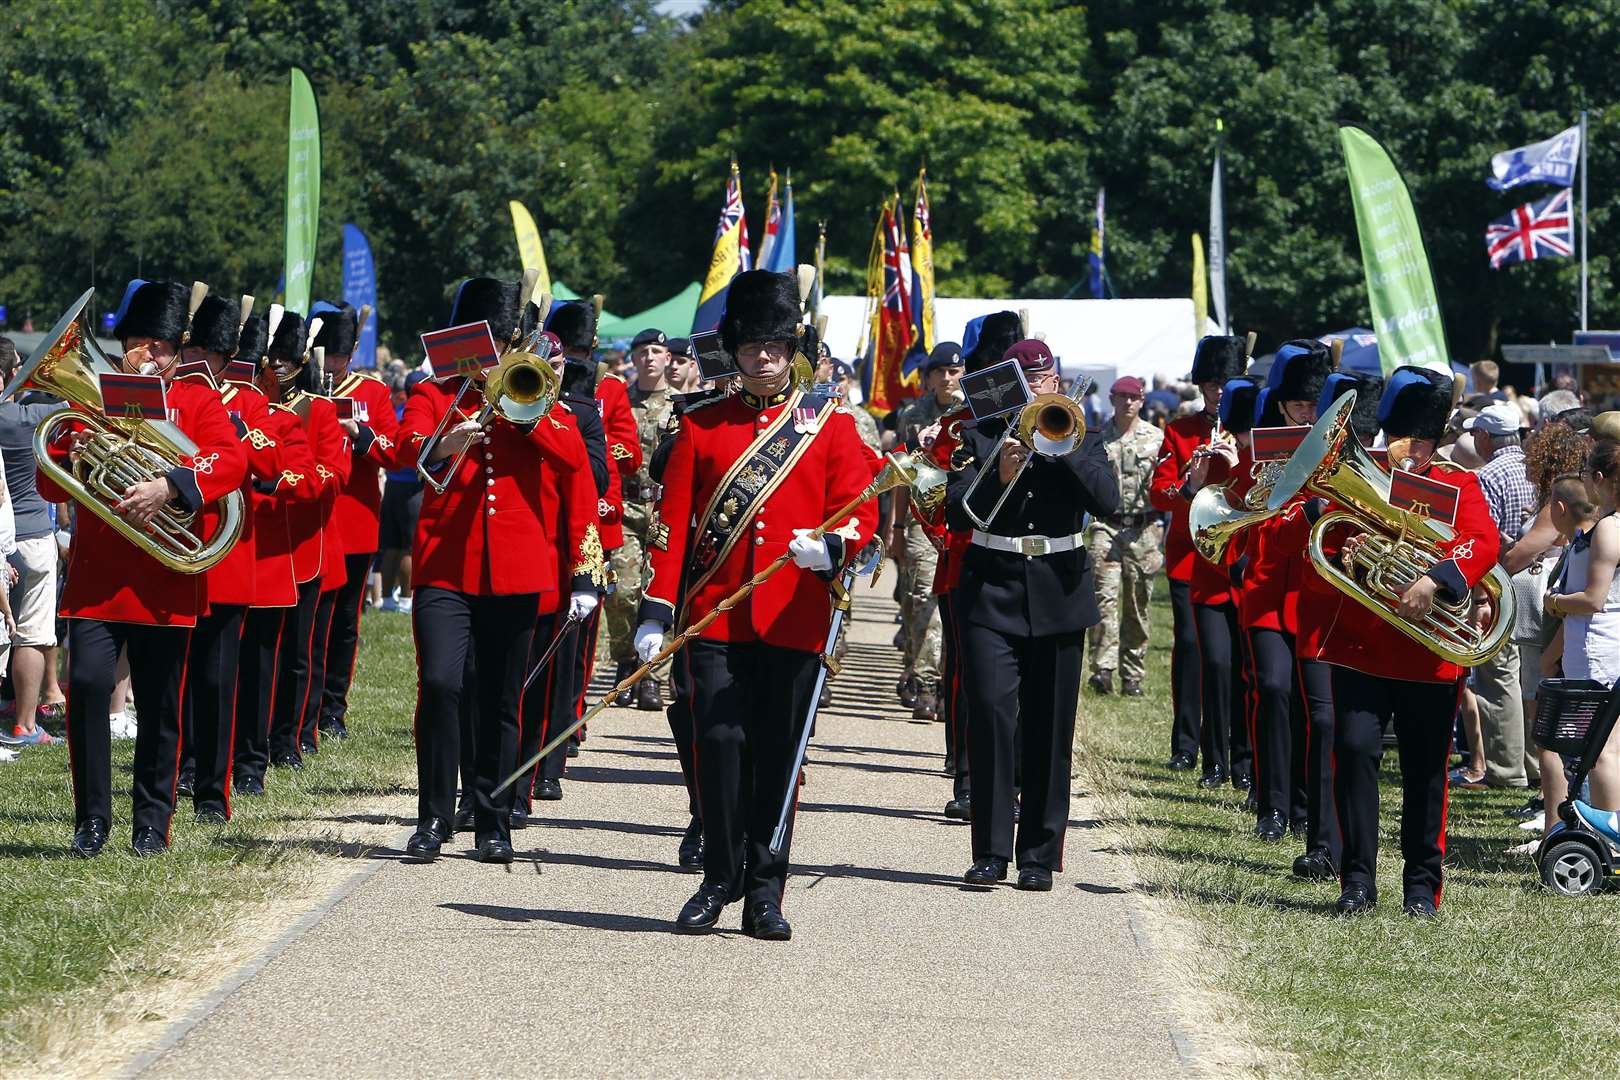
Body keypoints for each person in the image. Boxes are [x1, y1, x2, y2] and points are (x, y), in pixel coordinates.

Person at [634, 269, 879, 939]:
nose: (762, 357)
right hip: (716, 616)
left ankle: (766, 890)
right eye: (751, 346)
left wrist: (832, 549)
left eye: (774, 344)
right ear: (734, 349)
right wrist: (656, 610)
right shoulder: (702, 425)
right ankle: (719, 877)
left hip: (795, 615)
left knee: (779, 754)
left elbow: (861, 511)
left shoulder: (827, 423)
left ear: (791, 345)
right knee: (717, 742)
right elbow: (673, 528)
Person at [399, 278, 601, 863]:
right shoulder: (435, 393)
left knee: (500, 698)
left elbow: (572, 462)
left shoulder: (537, 397)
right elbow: (401, 444)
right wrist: (448, 437)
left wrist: (527, 412)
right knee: (441, 685)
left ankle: (493, 819)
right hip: (445, 564)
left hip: (517, 568)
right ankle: (434, 817)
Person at [46, 280, 247, 857]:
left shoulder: (199, 400)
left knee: (160, 704)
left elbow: (232, 459)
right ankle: (91, 820)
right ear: (125, 343)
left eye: (160, 346)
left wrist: (171, 485)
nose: (149, 356)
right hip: (99, 577)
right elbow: (45, 478)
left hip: (166, 577)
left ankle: (151, 824)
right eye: (139, 342)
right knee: (85, 687)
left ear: (177, 348)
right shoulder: (91, 397)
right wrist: (72, 450)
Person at [1301, 367, 1500, 916]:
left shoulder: (1459, 483)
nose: (1401, 450)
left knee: (1427, 771)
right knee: (1355, 753)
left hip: (1428, 652)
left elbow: (1482, 541)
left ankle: (1421, 888)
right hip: (1361, 648)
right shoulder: (1367, 476)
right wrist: (1346, 541)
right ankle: (1358, 880)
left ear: (1434, 440)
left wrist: (1434, 578)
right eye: (1395, 438)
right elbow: (1326, 535)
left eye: (1413, 440)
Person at [946, 338, 1118, 890]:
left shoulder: (1079, 432)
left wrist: (1060, 450)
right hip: (990, 589)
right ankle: (992, 851)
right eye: (1027, 381)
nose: (1037, 389)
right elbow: (953, 510)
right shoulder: (981, 436)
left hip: (1060, 592)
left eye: (1044, 379)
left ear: (1056, 382)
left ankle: (1039, 855)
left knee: (1049, 726)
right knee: (993, 717)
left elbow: (1108, 502)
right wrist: (997, 473)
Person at [173, 294, 286, 821]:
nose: (193, 358)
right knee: (173, 677)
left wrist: (237, 433)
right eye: (188, 347)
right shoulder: (166, 395)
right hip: (174, 548)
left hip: (226, 553)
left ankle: (213, 788)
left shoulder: (248, 399)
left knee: (217, 679)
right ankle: (179, 769)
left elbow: (272, 462)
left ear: (219, 356)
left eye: (202, 350)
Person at [1149, 336, 1248, 781]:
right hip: (1191, 556)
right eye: (1212, 384)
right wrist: (1190, 486)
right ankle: (1187, 743)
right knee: (1191, 649)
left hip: (1236, 557)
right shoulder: (1182, 431)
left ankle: (1232, 746)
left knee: (1234, 660)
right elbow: (1159, 492)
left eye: (1227, 383)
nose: (1220, 392)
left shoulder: (1251, 432)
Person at [231, 312, 318, 796]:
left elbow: (304, 478)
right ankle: (200, 761)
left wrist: (272, 478)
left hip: (263, 555)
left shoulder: (282, 418)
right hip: (212, 555)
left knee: (260, 667)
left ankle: (250, 761)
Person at [264, 310, 352, 770]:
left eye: (284, 357)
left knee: (300, 652)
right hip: (256, 543)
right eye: (270, 356)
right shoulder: (255, 403)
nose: (276, 365)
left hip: (303, 546)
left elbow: (335, 474)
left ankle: (291, 736)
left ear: (301, 360)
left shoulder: (319, 410)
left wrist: (284, 481)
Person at [313, 301, 397, 741]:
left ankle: (332, 708)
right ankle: (304, 707)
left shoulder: (374, 392)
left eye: (340, 356)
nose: (331, 364)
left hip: (355, 520)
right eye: (326, 354)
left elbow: (395, 450)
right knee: (311, 621)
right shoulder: (302, 386)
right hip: (312, 519)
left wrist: (360, 436)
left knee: (344, 623)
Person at [1464, 400, 1535, 791]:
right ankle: (1534, 764)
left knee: (1499, 675)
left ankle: (1507, 769)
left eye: (1476, 433)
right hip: (1538, 580)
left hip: (1501, 583)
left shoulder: (1487, 475)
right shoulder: (1533, 467)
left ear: (1486, 437)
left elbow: (1482, 543)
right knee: (1530, 676)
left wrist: (1480, 599)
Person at [891, 341, 964, 719]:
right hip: (923, 517)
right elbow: (904, 475)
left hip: (963, 517)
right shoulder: (914, 415)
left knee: (955, 601)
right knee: (921, 597)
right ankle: (924, 682)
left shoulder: (973, 414)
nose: (948, 378)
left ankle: (947, 679)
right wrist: (898, 527)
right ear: (930, 377)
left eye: (954, 371)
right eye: (941, 372)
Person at [607, 328, 676, 709]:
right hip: (627, 507)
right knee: (622, 592)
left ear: (668, 358)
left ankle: (652, 676)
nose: (649, 357)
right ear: (633, 359)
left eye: (656, 351)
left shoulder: (683, 405)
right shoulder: (621, 402)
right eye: (642, 351)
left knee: (661, 593)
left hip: (666, 509)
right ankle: (625, 663)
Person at [0, 337, 64, 747]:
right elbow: (83, 407)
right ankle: (25, 724)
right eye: (19, 368)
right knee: (34, 634)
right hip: (34, 538)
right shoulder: (27, 418)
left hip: (6, 540)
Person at [1086, 375, 1164, 697]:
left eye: (1134, 397)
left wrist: (1162, 524)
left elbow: (1165, 484)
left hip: (1143, 528)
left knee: (1137, 603)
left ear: (1142, 401)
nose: (1128, 402)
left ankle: (1133, 674)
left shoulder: (1157, 438)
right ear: (1112, 398)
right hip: (1106, 525)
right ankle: (1102, 670)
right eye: (1121, 396)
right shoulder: (1097, 437)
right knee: (1104, 599)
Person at [377, 372, 427, 614]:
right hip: (412, 487)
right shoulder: (417, 415)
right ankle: (406, 600)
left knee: (391, 546)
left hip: (393, 485)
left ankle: (387, 599)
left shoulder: (397, 413)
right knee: (409, 547)